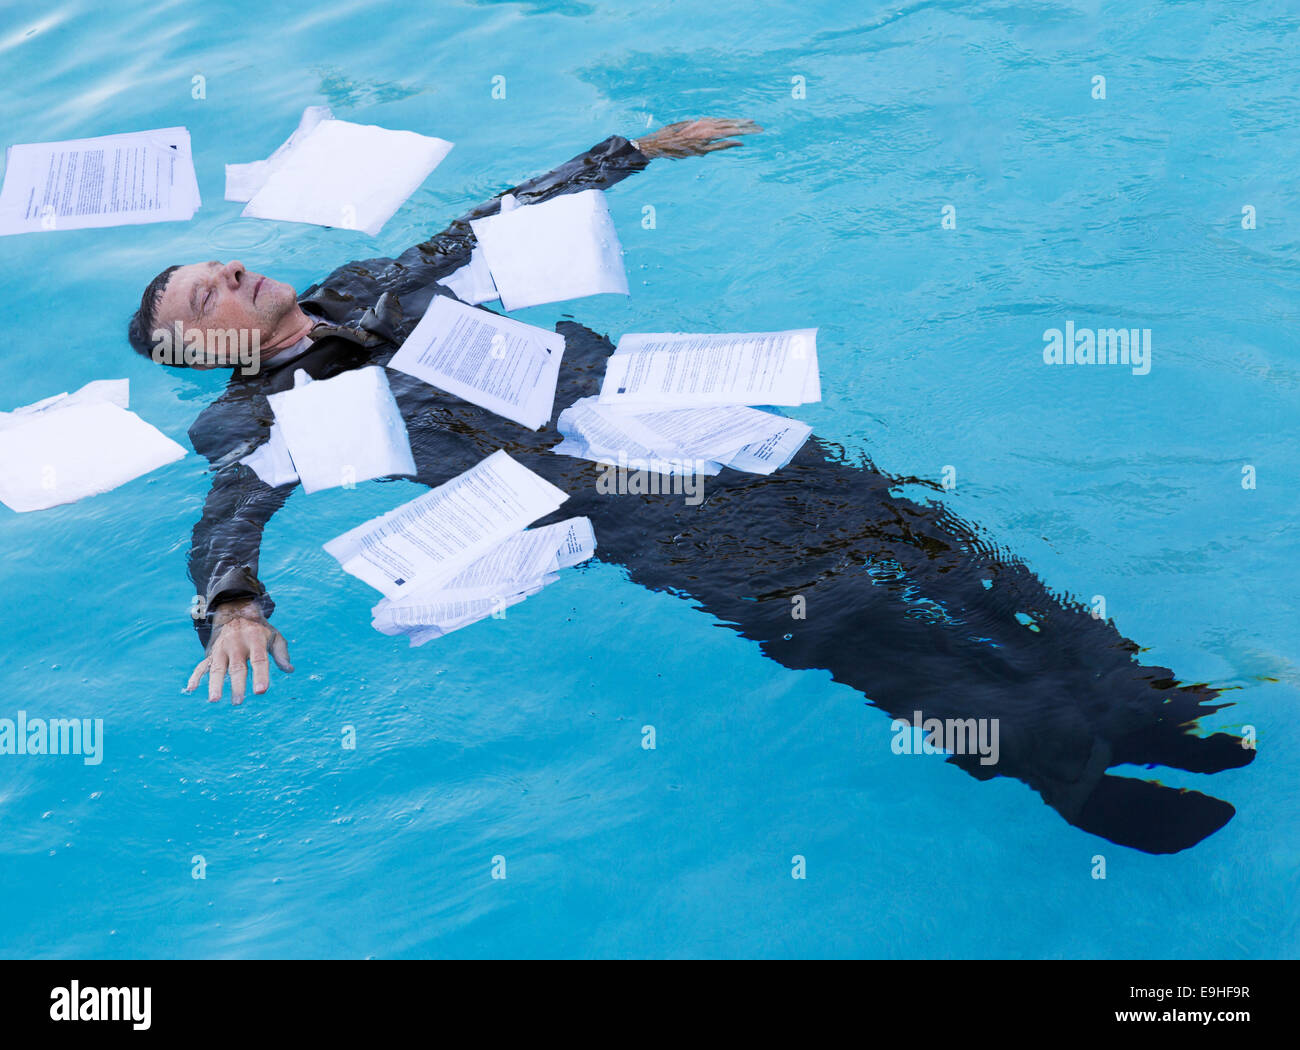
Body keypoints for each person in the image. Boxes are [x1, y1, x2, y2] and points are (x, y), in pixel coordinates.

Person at [127, 117, 1252, 854]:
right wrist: (231, 604)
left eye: (219, 264)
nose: (229, 272)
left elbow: (491, 225)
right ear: (197, 353)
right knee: (846, 623)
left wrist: (636, 151)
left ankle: (1139, 706)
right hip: (610, 497)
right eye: (203, 297)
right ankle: (1070, 776)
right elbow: (233, 507)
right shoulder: (248, 414)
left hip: (686, 418)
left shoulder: (370, 283)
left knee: (938, 547)